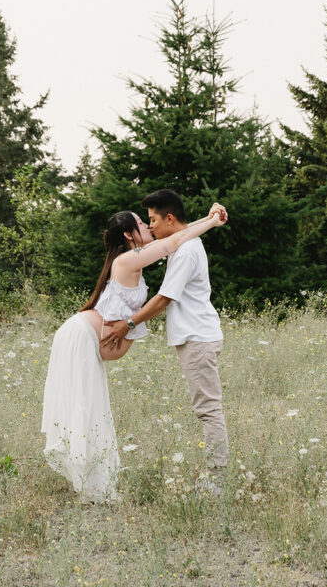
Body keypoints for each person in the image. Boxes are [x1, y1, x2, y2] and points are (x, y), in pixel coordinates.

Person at [41, 203, 227, 502]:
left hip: (88, 340)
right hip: (82, 336)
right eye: (143, 224)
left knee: (93, 408)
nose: (149, 227)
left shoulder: (135, 261)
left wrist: (207, 219)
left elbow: (176, 235)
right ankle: (92, 488)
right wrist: (212, 222)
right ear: (129, 235)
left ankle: (95, 487)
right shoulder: (127, 260)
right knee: (86, 408)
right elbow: (174, 240)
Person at [102, 188, 229, 485]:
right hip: (196, 336)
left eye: (153, 221)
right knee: (206, 408)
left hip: (197, 338)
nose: (151, 227)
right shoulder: (184, 244)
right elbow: (180, 235)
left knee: (208, 410)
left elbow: (164, 298)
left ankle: (216, 481)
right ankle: (216, 476)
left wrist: (128, 324)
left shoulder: (185, 251)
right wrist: (211, 218)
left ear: (169, 218)